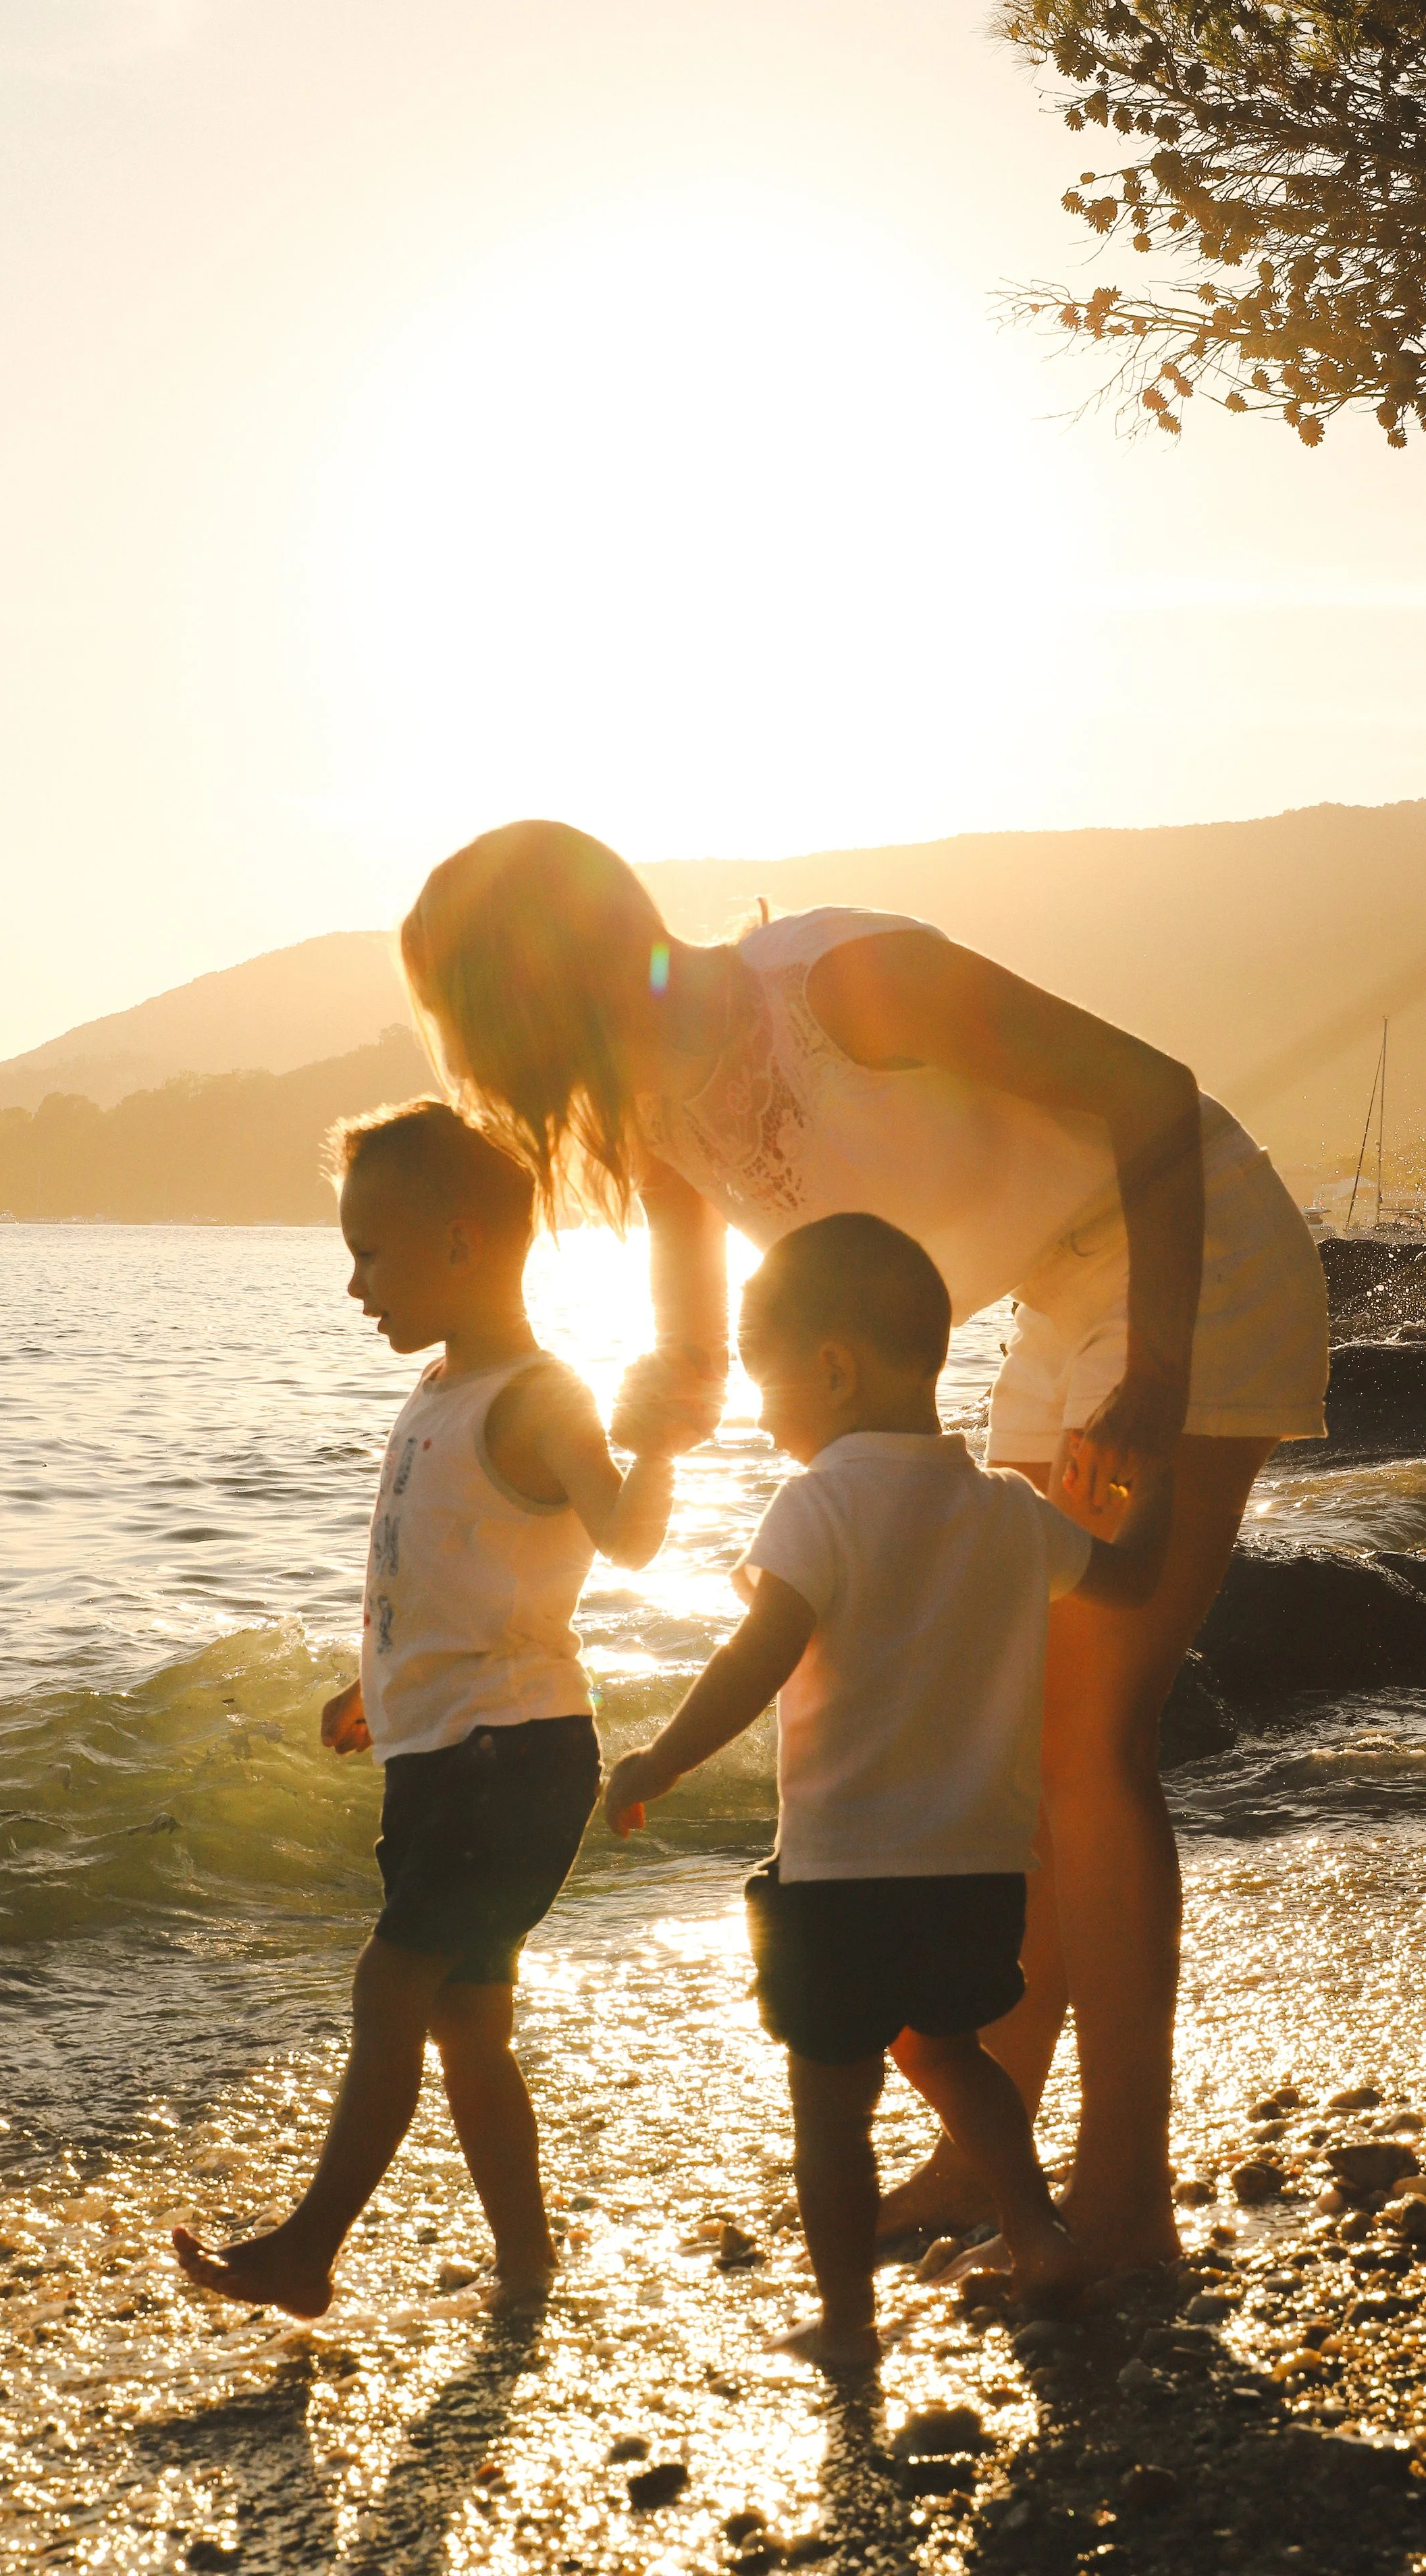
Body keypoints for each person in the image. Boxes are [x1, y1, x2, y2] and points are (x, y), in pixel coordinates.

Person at [400, 820, 1329, 2278]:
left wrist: (1153, 1375)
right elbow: (702, 1364)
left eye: (484, 1031)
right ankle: (985, 2149)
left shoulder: (843, 987)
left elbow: (1154, 1095)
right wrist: (654, 1405)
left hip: (1185, 1265)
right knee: (1025, 1748)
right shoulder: (658, 1121)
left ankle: (1126, 2204)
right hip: (1048, 1309)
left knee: (1091, 1739)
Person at [604, 1212, 1171, 2361]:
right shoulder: (1010, 1512)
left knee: (831, 2103)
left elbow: (755, 1656)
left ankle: (849, 2326)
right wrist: (1147, 1476)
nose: (766, 1424)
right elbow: (1134, 1579)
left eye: (768, 1390)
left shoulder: (818, 1504)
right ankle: (1038, 2233)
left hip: (845, 1877)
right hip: (977, 1875)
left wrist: (661, 1757)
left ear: (832, 1367)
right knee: (953, 2049)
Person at [174, 1099, 677, 2319]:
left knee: (391, 1989)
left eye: (371, 1253)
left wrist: (657, 1441)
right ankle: (527, 2268)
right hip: (449, 1752)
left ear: (460, 1244)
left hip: (511, 1756)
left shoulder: (540, 1396)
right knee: (465, 2021)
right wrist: (377, 1679)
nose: (355, 1285)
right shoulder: (448, 1388)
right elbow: (447, 1567)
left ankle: (306, 2251)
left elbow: (632, 1538)